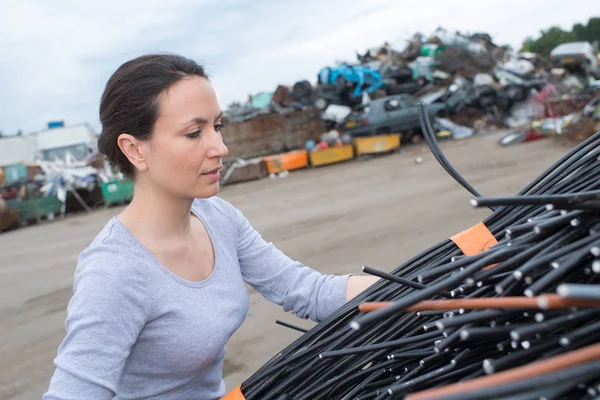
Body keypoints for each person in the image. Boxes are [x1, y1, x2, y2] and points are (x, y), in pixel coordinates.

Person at [43, 53, 379, 400]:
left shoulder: (218, 218)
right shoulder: (114, 270)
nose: (220, 147)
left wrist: (415, 286)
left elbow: (306, 290)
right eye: (193, 133)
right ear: (134, 150)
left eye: (216, 127)